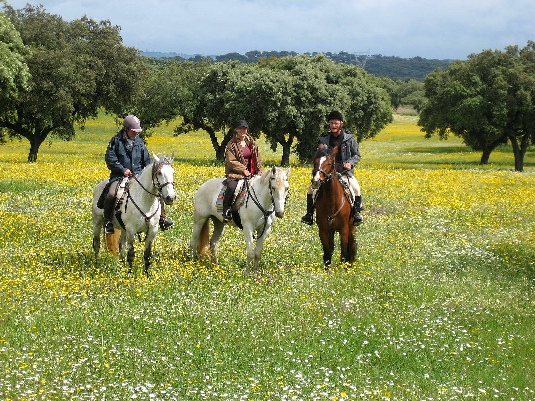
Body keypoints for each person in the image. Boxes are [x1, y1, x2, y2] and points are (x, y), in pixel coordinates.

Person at [102, 114, 174, 234]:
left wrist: (150, 170)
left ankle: (162, 218)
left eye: (137, 131)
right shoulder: (116, 141)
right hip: (120, 176)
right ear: (126, 129)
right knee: (111, 193)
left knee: (158, 193)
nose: (136, 133)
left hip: (138, 176)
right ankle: (108, 221)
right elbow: (110, 158)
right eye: (133, 131)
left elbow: (146, 160)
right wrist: (122, 169)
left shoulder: (140, 142)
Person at [301, 110, 364, 226]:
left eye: (336, 123)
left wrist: (350, 163)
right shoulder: (324, 139)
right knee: (311, 189)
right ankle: (309, 214)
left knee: (356, 188)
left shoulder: (349, 139)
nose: (333, 126)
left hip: (344, 172)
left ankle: (356, 214)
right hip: (327, 172)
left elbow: (357, 155)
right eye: (331, 123)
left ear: (341, 124)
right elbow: (319, 155)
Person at [222, 120, 263, 222]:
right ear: (236, 129)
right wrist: (243, 170)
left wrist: (259, 172)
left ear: (247, 130)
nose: (242, 130)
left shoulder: (252, 144)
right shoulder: (231, 145)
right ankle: (226, 210)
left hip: (252, 174)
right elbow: (231, 161)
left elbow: (258, 159)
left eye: (244, 128)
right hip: (236, 174)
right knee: (231, 187)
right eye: (240, 128)